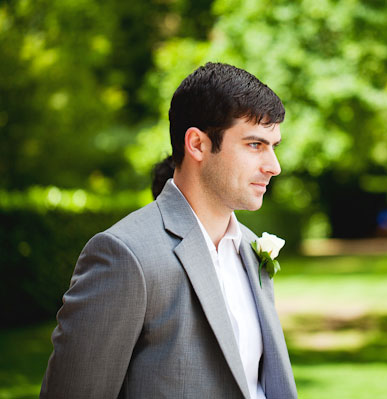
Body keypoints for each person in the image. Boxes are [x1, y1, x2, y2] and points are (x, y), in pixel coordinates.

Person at [41, 62, 297, 399]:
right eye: (255, 145)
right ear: (197, 144)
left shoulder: (251, 247)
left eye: (273, 146)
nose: (273, 166)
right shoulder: (125, 255)